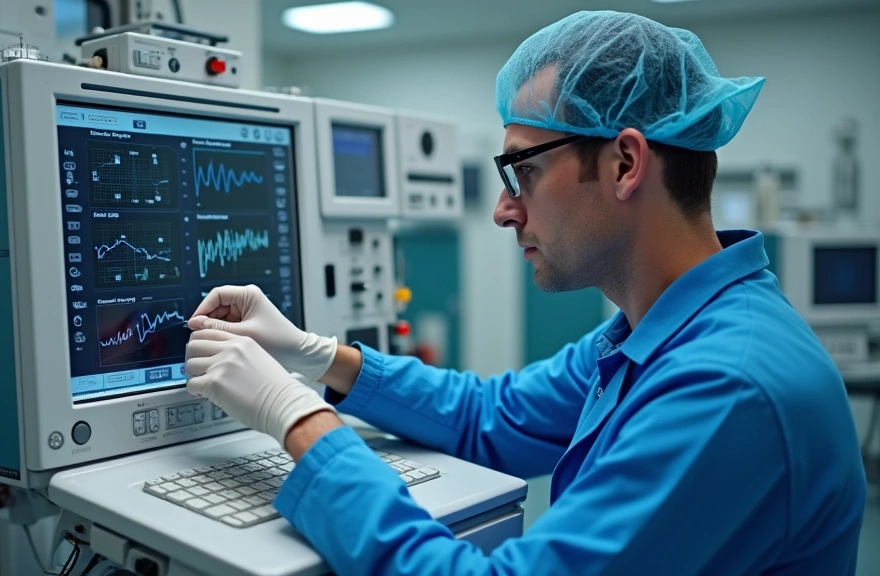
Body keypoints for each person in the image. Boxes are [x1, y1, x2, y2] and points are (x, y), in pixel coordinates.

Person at [183, 10, 867, 575]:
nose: (503, 211)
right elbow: (490, 416)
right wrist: (317, 355)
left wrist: (297, 418)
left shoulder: (725, 388)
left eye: (523, 172)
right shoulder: (653, 333)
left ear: (625, 162)